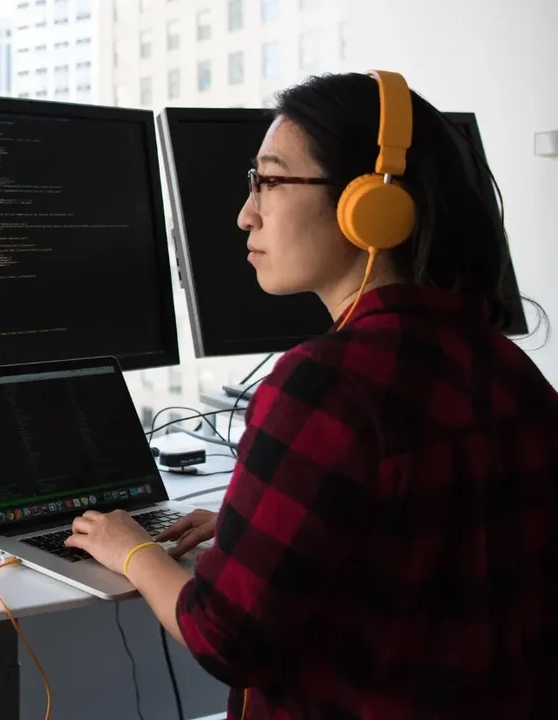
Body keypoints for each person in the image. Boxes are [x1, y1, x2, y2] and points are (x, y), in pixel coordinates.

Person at [64, 70, 558, 719]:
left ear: (369, 206)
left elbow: (224, 636)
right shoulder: (510, 367)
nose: (246, 212)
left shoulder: (325, 385)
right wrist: (259, 527)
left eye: (269, 180)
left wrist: (134, 550)